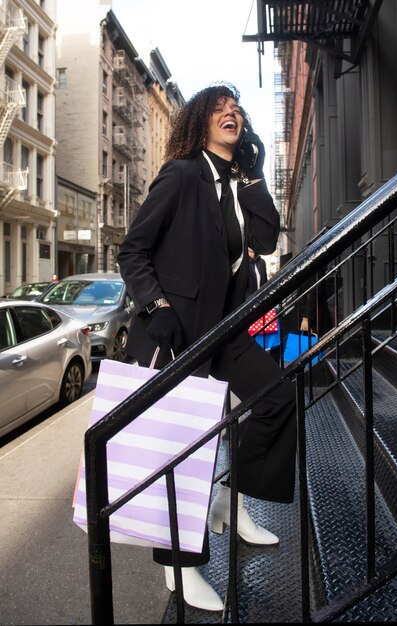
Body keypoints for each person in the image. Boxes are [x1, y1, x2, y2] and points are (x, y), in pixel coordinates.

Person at [117, 83, 297, 612]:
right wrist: (157, 308)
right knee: (183, 450)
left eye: (237, 109)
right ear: (200, 121)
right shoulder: (182, 175)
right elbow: (134, 250)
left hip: (225, 330)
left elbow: (265, 240)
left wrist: (258, 173)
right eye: (221, 109)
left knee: (276, 400)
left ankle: (229, 497)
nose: (232, 114)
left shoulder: (240, 185)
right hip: (178, 333)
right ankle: (180, 565)